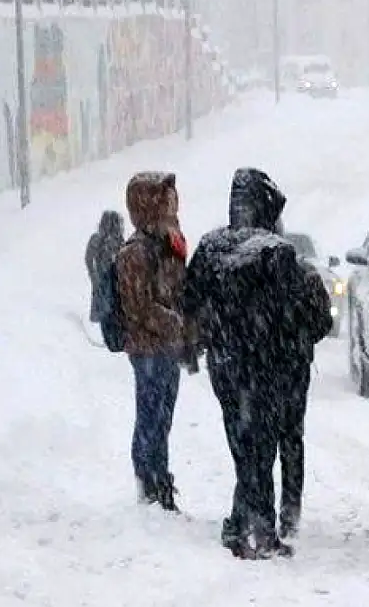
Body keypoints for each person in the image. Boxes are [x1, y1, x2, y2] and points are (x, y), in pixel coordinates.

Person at [182, 167, 333, 559]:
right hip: (263, 364)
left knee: (241, 443)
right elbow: (290, 312)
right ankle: (260, 530)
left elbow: (191, 300)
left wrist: (207, 338)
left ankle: (238, 523)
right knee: (261, 447)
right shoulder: (276, 253)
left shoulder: (212, 246)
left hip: (225, 362)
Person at [115, 171, 196, 512]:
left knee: (163, 416)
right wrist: (174, 322)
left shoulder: (169, 245)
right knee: (150, 414)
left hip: (166, 347)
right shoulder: (135, 252)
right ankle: (149, 482)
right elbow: (139, 307)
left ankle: (159, 477)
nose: (172, 209)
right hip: (148, 347)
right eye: (164, 202)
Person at [85, 210, 125, 323]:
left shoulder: (119, 241)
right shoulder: (97, 239)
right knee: (101, 305)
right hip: (102, 277)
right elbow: (89, 258)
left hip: (114, 279)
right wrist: (93, 275)